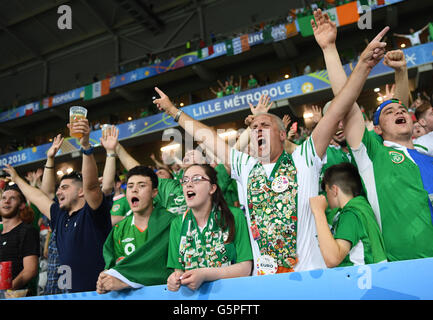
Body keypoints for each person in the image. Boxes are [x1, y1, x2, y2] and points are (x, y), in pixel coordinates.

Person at [150, 28, 381, 274]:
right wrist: (174, 111)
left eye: (265, 125)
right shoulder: (245, 166)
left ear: (283, 134)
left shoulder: (304, 158)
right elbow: (207, 136)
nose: (258, 128)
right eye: (255, 126)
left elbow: (338, 109)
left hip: (310, 276)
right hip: (265, 282)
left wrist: (362, 66)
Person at [312, 9, 433, 261]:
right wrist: (329, 48)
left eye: (402, 110)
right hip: (406, 268)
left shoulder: (426, 152)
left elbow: (401, 104)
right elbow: (347, 104)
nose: (399, 111)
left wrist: (401, 71)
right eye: (389, 112)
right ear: (377, 129)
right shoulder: (375, 154)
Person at [4, 118, 113, 293]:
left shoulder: (93, 214)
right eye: (59, 188)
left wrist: (85, 147)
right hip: (65, 296)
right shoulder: (61, 216)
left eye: (64, 188)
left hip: (96, 295)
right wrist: (17, 179)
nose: (59, 192)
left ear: (80, 192)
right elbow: (38, 196)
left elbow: (92, 186)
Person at [167, 164, 252, 291]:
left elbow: (245, 268)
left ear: (212, 188)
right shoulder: (177, 224)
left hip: (233, 293)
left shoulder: (234, 216)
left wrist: (205, 274)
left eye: (196, 179)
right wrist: (174, 279)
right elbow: (179, 270)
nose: (188, 184)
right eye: (185, 180)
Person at [97, 166, 176, 293]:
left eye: (142, 186)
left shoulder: (171, 223)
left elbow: (170, 269)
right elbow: (115, 268)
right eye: (130, 186)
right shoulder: (119, 229)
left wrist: (126, 281)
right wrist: (105, 281)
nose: (134, 190)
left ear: (154, 193)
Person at [309, 163, 387, 267]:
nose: (326, 196)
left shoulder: (351, 214)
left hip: (360, 278)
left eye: (327, 191)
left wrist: (319, 212)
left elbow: (332, 258)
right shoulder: (362, 207)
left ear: (335, 190)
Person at [0, 184, 39, 296]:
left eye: (12, 198)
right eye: (3, 198)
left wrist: (5, 291)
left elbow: (30, 270)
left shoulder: (27, 231)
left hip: (16, 294)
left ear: (22, 205)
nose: (6, 201)